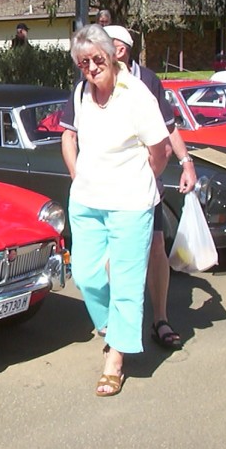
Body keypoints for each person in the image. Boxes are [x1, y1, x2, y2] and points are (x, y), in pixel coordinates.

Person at [60, 24, 170, 397]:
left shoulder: (137, 95)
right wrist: (78, 178)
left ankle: (115, 360)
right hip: (88, 199)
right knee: (88, 274)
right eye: (83, 62)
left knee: (125, 280)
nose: (90, 68)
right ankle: (115, 326)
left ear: (113, 55)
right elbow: (71, 138)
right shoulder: (80, 94)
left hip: (130, 203)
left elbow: (161, 150)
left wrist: (141, 179)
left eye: (96, 59)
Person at [102, 24, 197, 351]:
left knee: (156, 246)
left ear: (121, 50)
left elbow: (168, 129)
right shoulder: (94, 82)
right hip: (109, 182)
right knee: (113, 251)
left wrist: (186, 163)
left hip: (144, 182)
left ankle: (160, 318)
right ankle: (116, 320)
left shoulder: (148, 82)